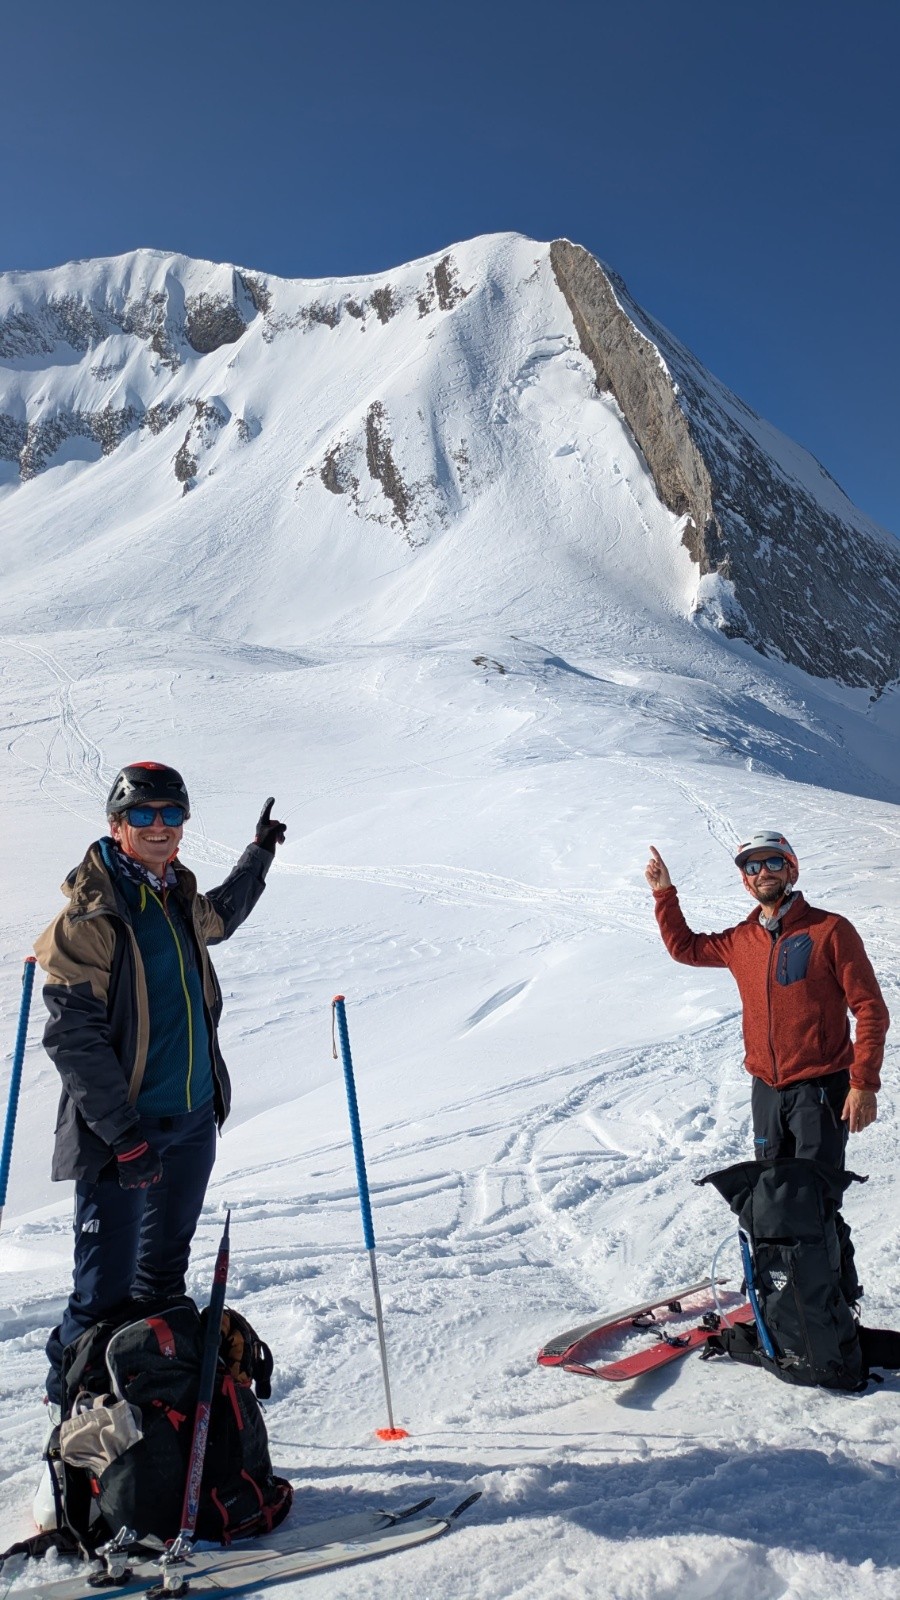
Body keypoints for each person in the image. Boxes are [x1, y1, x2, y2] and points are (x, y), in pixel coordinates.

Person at [34, 762, 287, 1416]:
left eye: (170, 814)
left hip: (191, 1121)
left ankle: (152, 1422)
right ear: (116, 826)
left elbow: (221, 918)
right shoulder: (89, 918)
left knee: (162, 1286)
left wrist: (257, 856)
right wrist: (123, 1137)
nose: (157, 827)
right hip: (125, 1138)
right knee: (100, 1297)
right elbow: (73, 1039)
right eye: (142, 815)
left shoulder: (175, 896)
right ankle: (71, 1434)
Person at [645, 829, 889, 1300]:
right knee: (772, 1198)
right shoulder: (742, 940)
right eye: (751, 867)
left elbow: (870, 1009)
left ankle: (831, 1300)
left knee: (817, 1200)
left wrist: (864, 1083)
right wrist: (663, 894)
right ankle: (781, 1295)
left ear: (791, 869)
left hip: (821, 1089)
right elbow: (685, 948)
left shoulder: (830, 930)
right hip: (766, 1091)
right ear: (744, 881)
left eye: (772, 863)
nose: (762, 873)